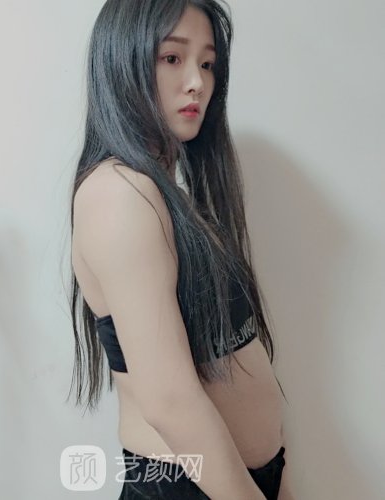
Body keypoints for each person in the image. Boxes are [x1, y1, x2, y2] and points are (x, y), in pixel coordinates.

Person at [67, 1, 295, 498]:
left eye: (208, 64)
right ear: (121, 60)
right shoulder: (120, 193)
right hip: (188, 485)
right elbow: (168, 400)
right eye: (172, 58)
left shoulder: (168, 196)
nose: (197, 82)